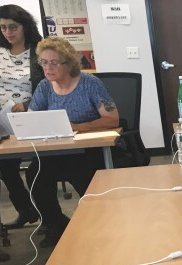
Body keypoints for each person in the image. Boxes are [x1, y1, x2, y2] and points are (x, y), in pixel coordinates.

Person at [27, 37, 119, 247]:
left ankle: (99, 223)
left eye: (54, 63)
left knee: (81, 171)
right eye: (43, 62)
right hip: (57, 150)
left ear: (69, 64)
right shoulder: (44, 87)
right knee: (35, 174)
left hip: (88, 148)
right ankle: (56, 224)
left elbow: (112, 119)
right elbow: (32, 118)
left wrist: (77, 126)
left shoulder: (89, 83)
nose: (48, 68)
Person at [0, 4, 44, 233]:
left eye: (13, 27)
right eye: (3, 27)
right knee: (6, 168)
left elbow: (49, 85)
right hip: (2, 119)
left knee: (40, 167)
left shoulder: (39, 50)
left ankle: (48, 215)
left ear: (24, 26)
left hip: (32, 115)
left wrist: (27, 105)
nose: (8, 32)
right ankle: (26, 210)